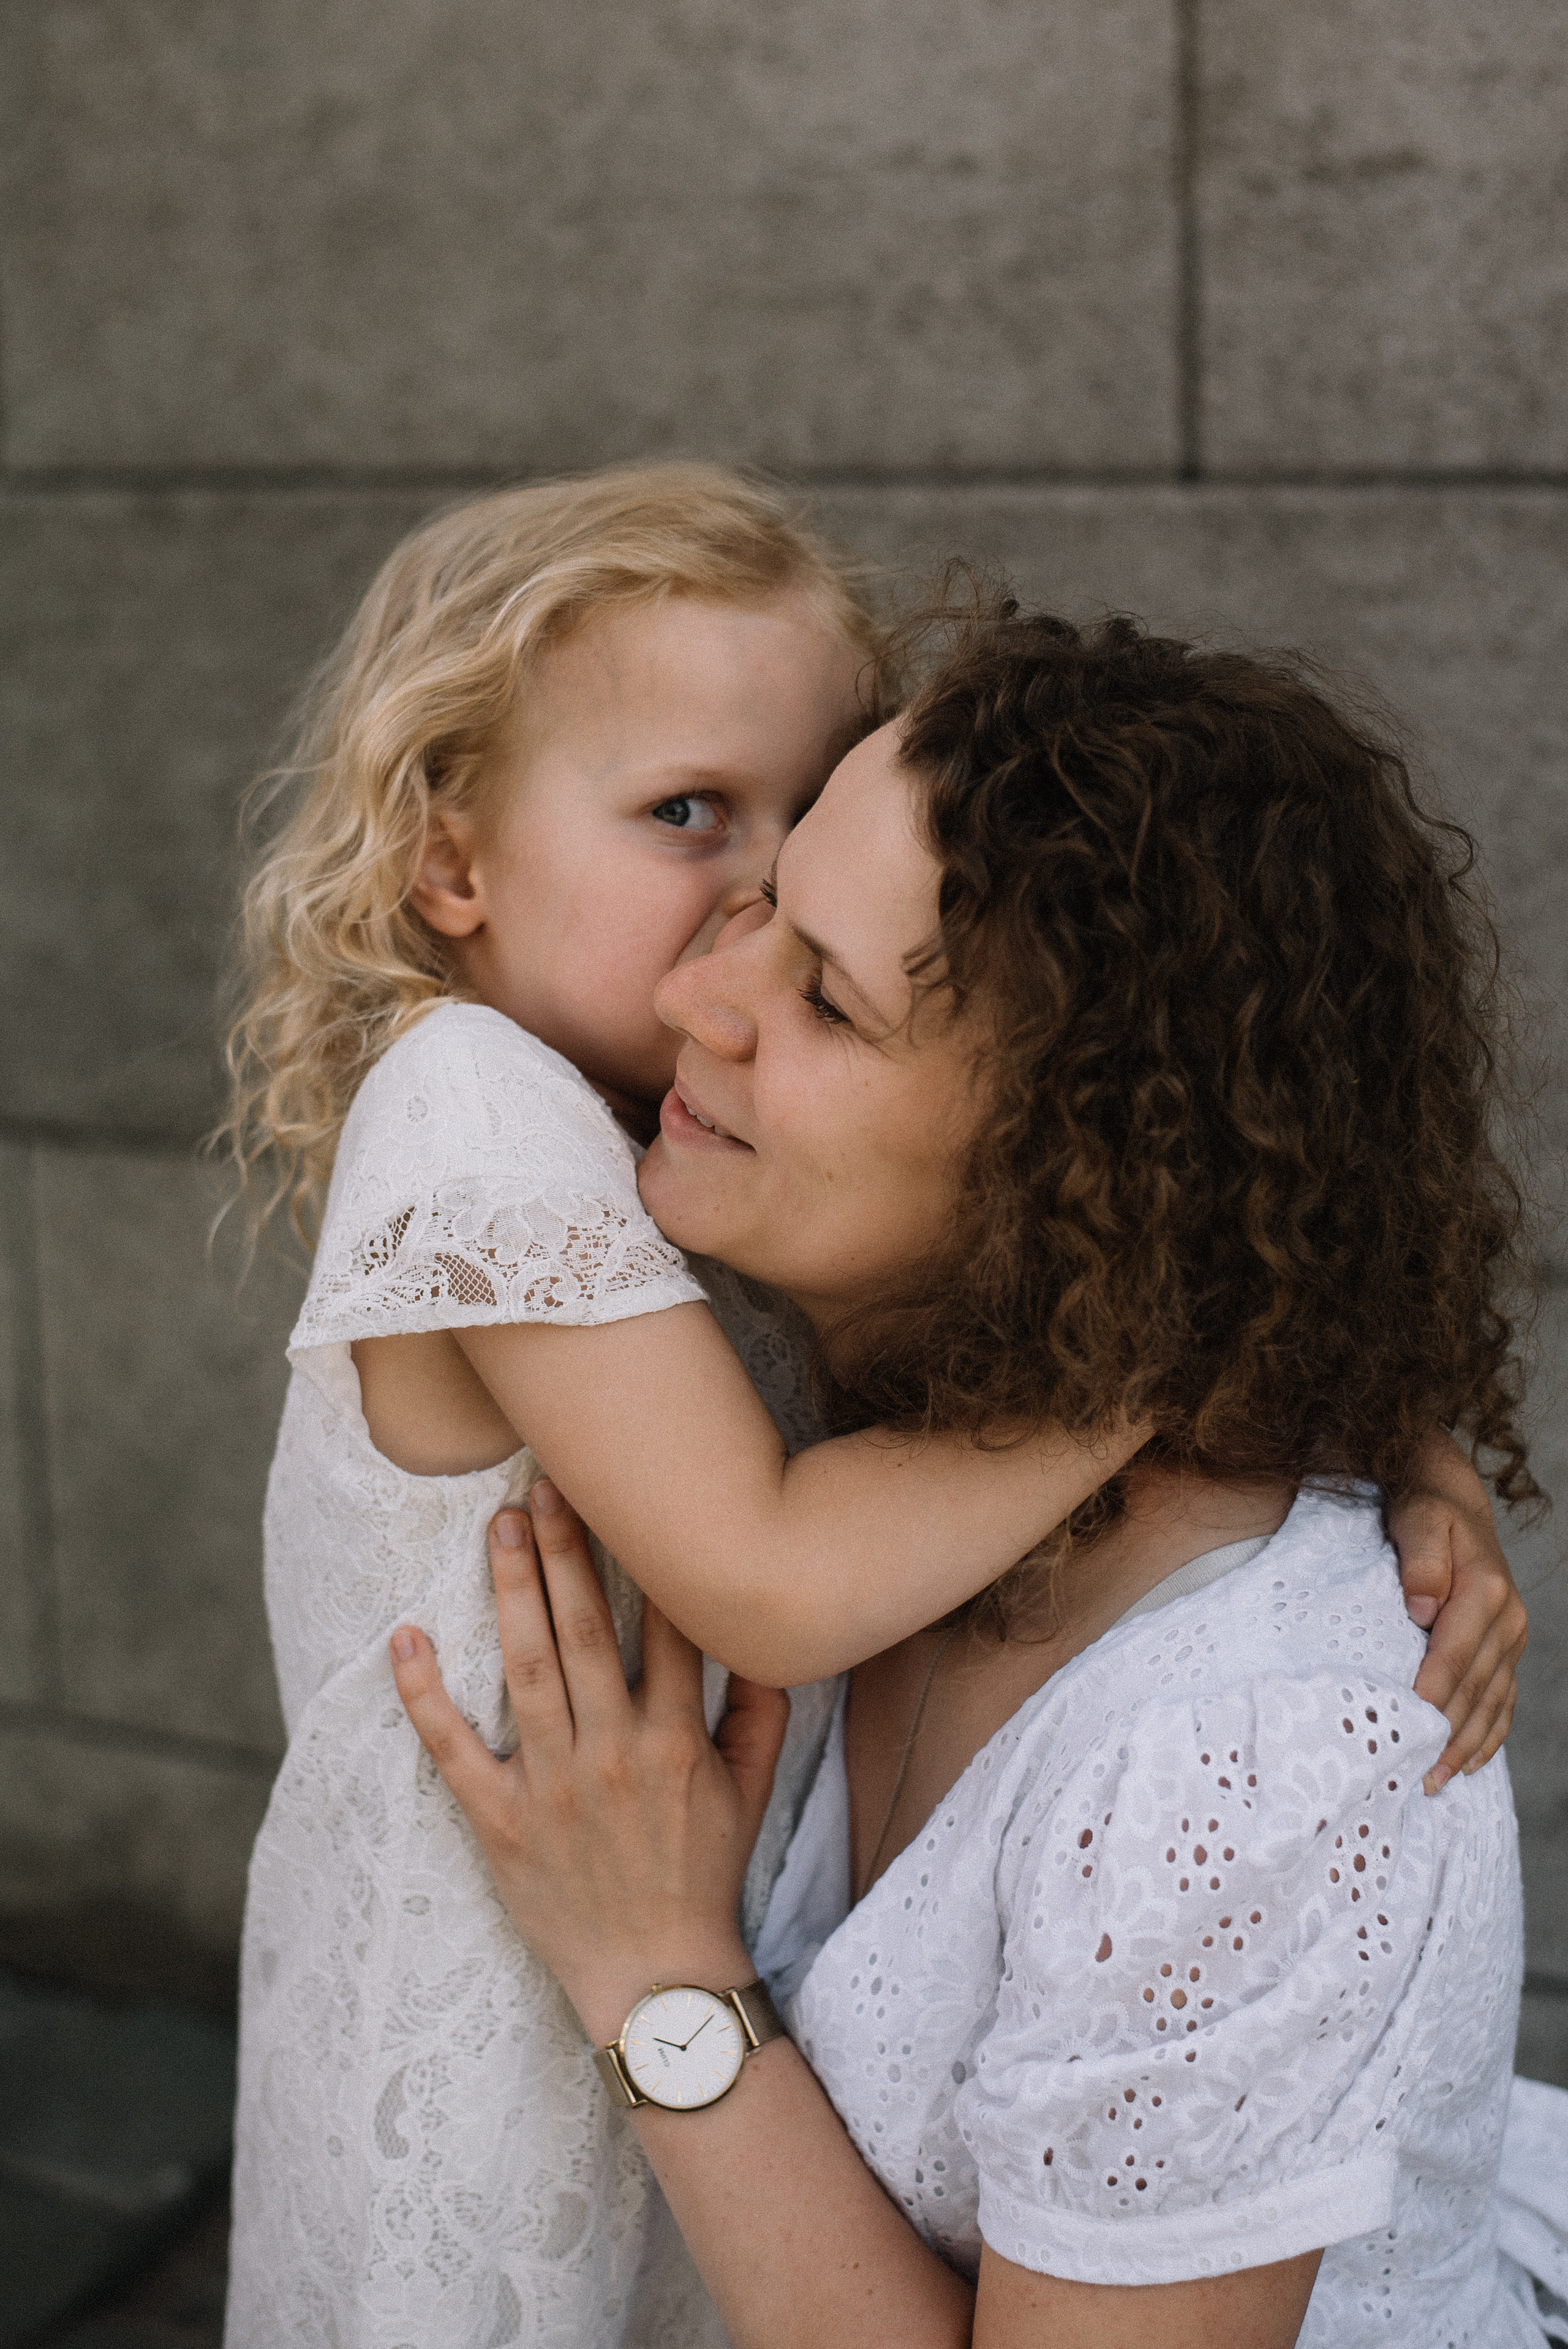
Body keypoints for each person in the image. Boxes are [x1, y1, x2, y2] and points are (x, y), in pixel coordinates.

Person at [392, 603, 1562, 2347]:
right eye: (761, 903)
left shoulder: (1250, 1765)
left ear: (1077, 1171)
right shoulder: (828, 1386)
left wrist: (660, 1975)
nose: (694, 995)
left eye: (829, 1004)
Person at [221, 470, 1214, 2347]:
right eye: (688, 811)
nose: (762, 880)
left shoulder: (679, 1132)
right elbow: (765, 1571)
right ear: (454, 866)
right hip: (478, 2031)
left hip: (661, 1980)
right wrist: (1187, 1357)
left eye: (808, 803)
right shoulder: (471, 1104)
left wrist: (1379, 1447)